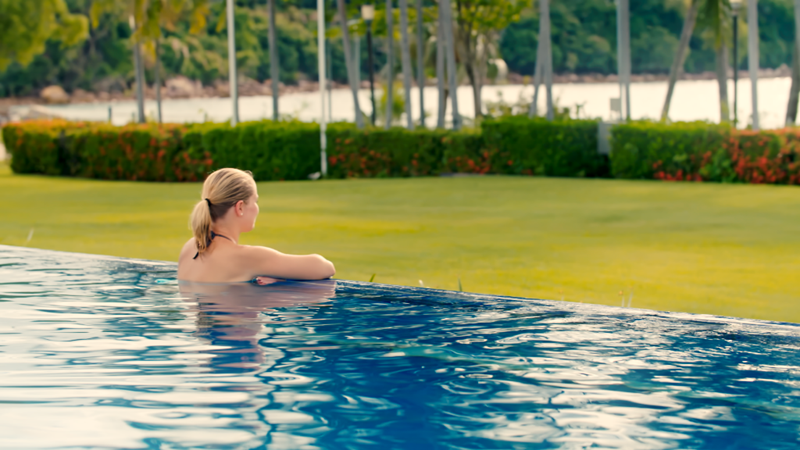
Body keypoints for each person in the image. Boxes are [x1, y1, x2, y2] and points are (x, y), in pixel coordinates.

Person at [178, 168, 335, 283]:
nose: (257, 207)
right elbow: (324, 267)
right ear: (240, 207)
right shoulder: (247, 258)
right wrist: (282, 279)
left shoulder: (190, 247)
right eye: (255, 201)